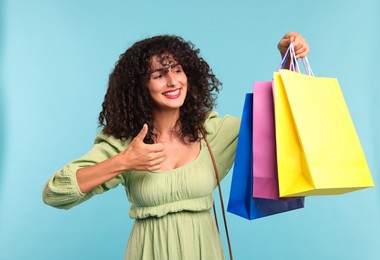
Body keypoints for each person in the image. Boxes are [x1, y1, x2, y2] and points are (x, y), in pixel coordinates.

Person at [42, 32, 309, 260]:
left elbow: (274, 121)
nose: (173, 82)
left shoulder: (211, 132)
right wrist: (124, 161)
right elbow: (55, 192)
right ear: (139, 87)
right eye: (159, 75)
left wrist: (289, 62)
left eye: (178, 70)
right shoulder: (125, 142)